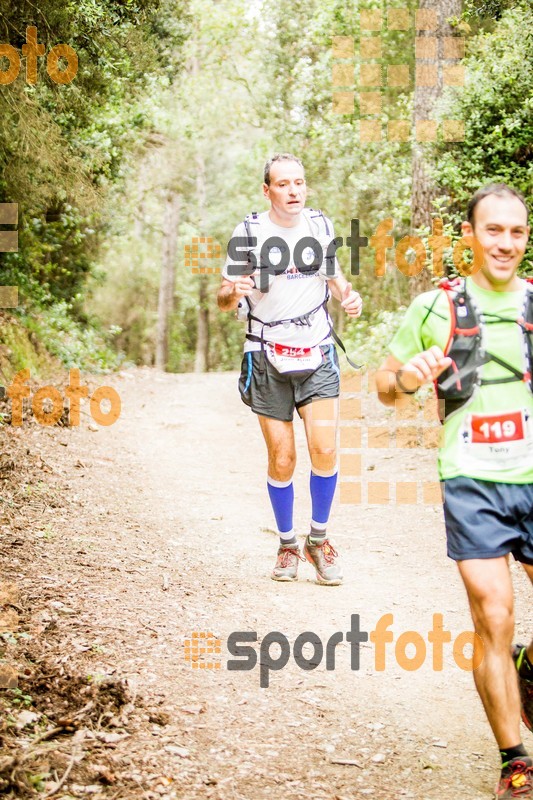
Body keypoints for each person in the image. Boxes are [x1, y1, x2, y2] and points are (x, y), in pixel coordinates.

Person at [375, 184, 533, 799]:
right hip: (472, 480)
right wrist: (408, 379)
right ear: (469, 235)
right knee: (495, 615)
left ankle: (527, 670)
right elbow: (385, 385)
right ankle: (514, 761)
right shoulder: (433, 307)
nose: (506, 243)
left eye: (517, 232)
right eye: (493, 230)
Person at [217, 153, 362, 585]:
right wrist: (232, 290)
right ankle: (286, 545)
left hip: (316, 348)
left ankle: (319, 540)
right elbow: (224, 299)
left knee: (326, 450)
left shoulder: (319, 226)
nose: (293, 191)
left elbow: (335, 280)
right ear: (267, 190)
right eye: (283, 184)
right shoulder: (248, 232)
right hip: (265, 353)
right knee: (283, 457)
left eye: (299, 182)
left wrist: (349, 298)